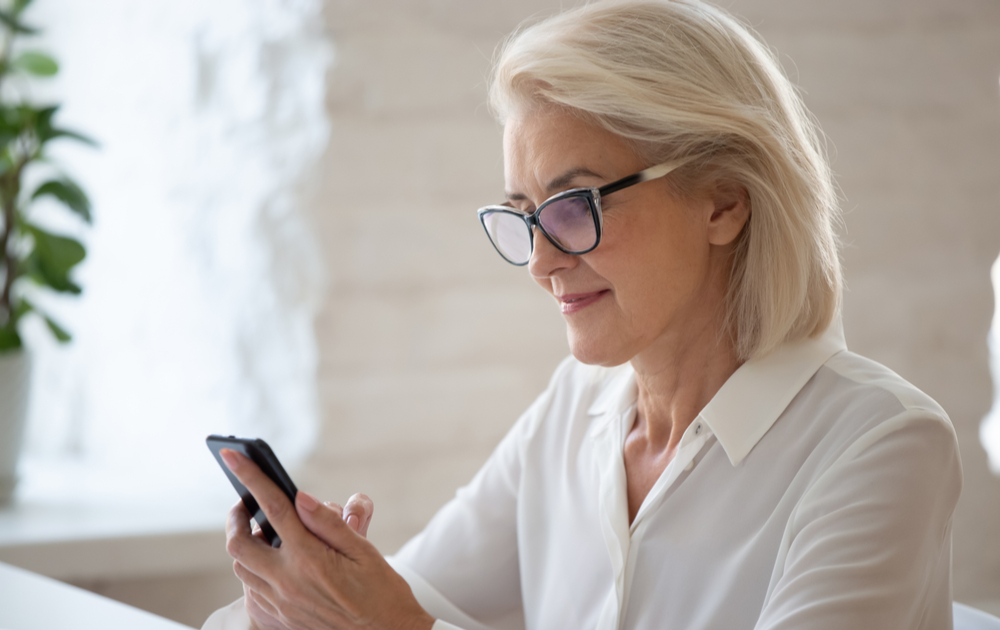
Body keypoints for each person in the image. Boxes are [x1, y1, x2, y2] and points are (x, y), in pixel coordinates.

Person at [203, 1, 963, 629]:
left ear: (725, 200)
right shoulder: (577, 409)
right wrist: (299, 602)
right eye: (523, 214)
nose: (541, 261)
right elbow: (414, 601)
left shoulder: (879, 444)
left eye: (574, 206)